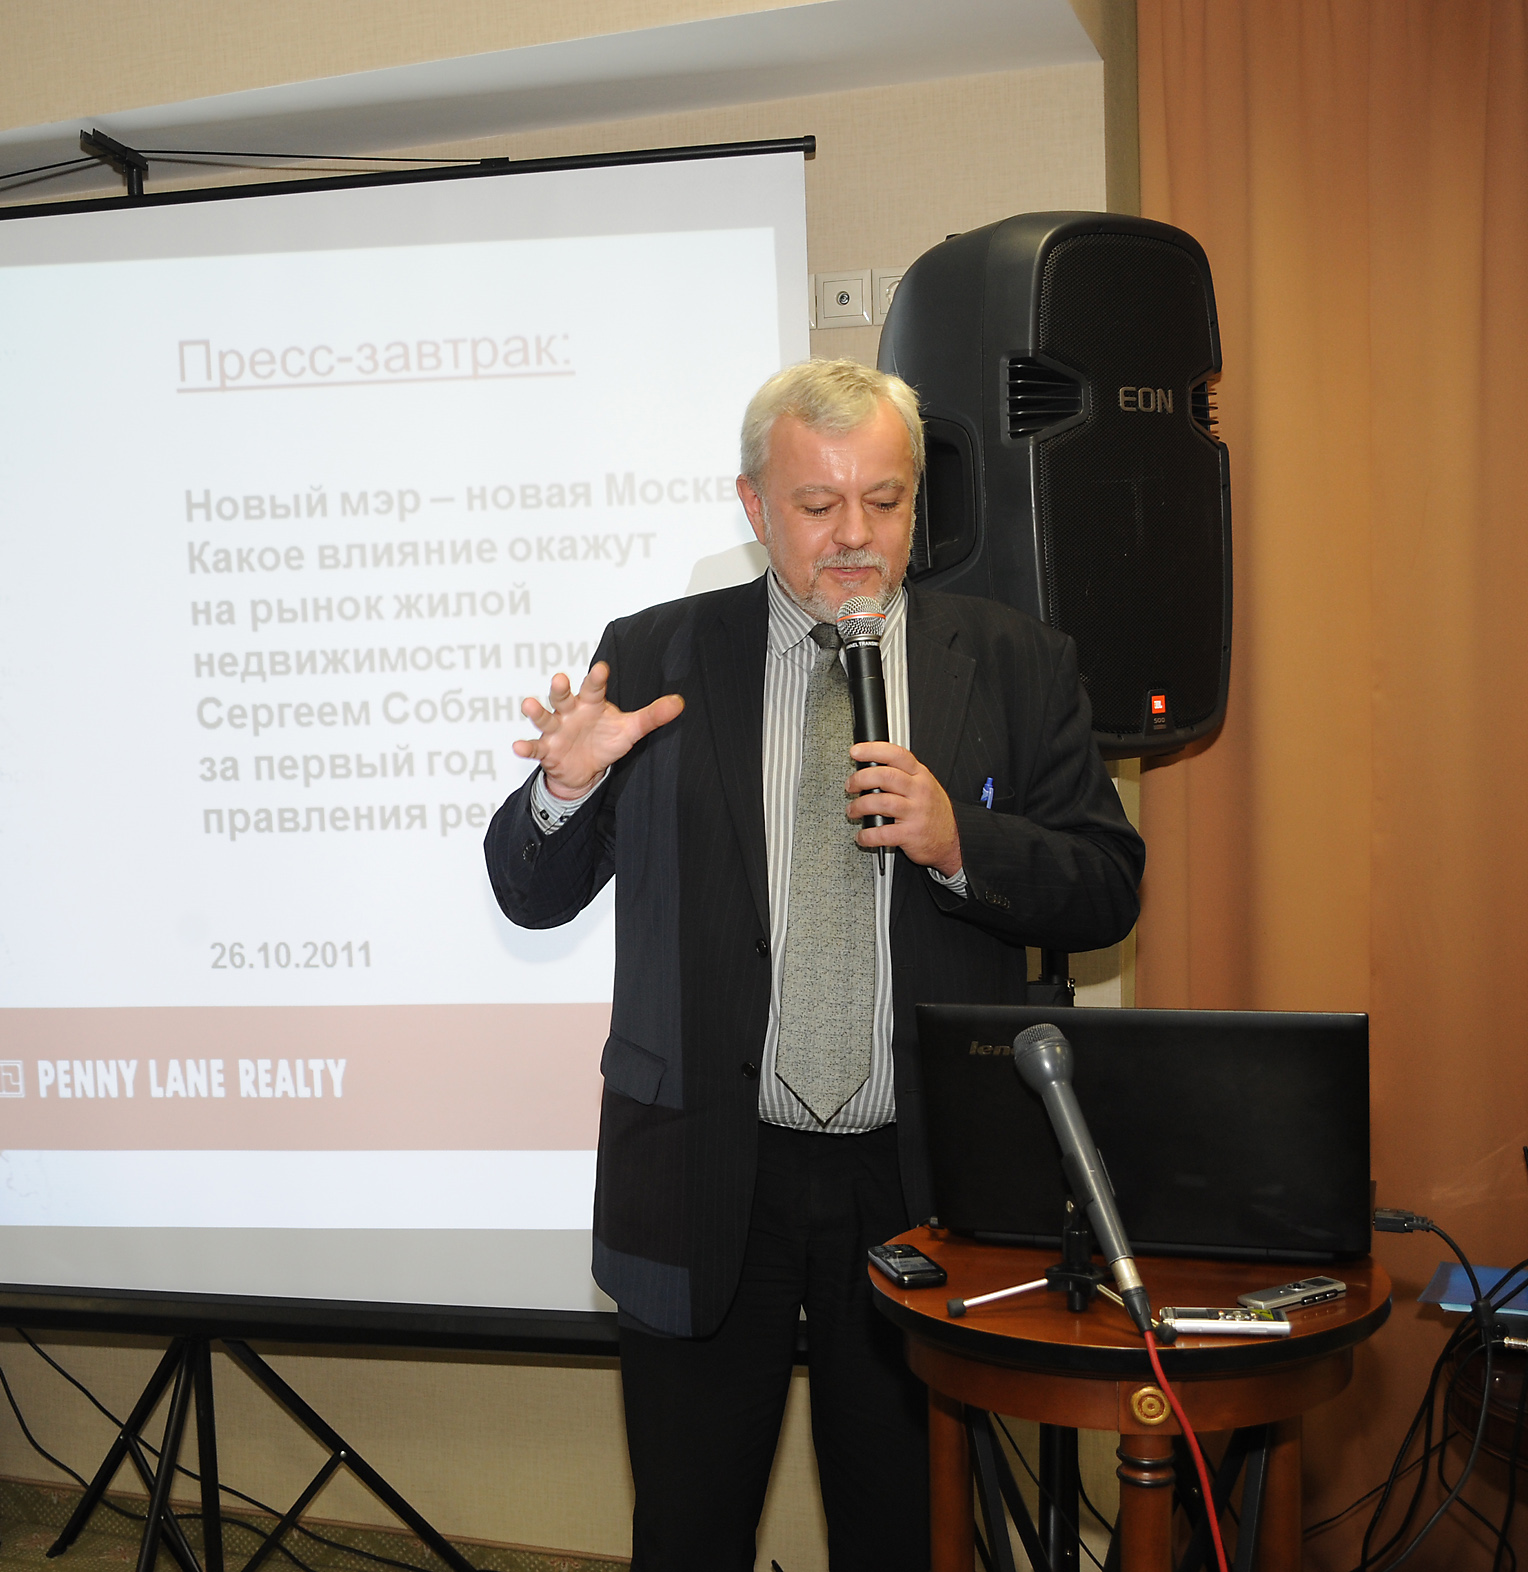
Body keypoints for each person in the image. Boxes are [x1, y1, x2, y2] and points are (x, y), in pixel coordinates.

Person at [481, 359, 1144, 1570]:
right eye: (817, 504)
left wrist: (960, 842)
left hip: (918, 1180)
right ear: (753, 505)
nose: (853, 536)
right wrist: (561, 793)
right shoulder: (654, 654)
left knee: (901, 1534)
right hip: (702, 1167)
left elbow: (1107, 885)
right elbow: (529, 894)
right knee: (687, 1534)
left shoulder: (1014, 663)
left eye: (883, 502)